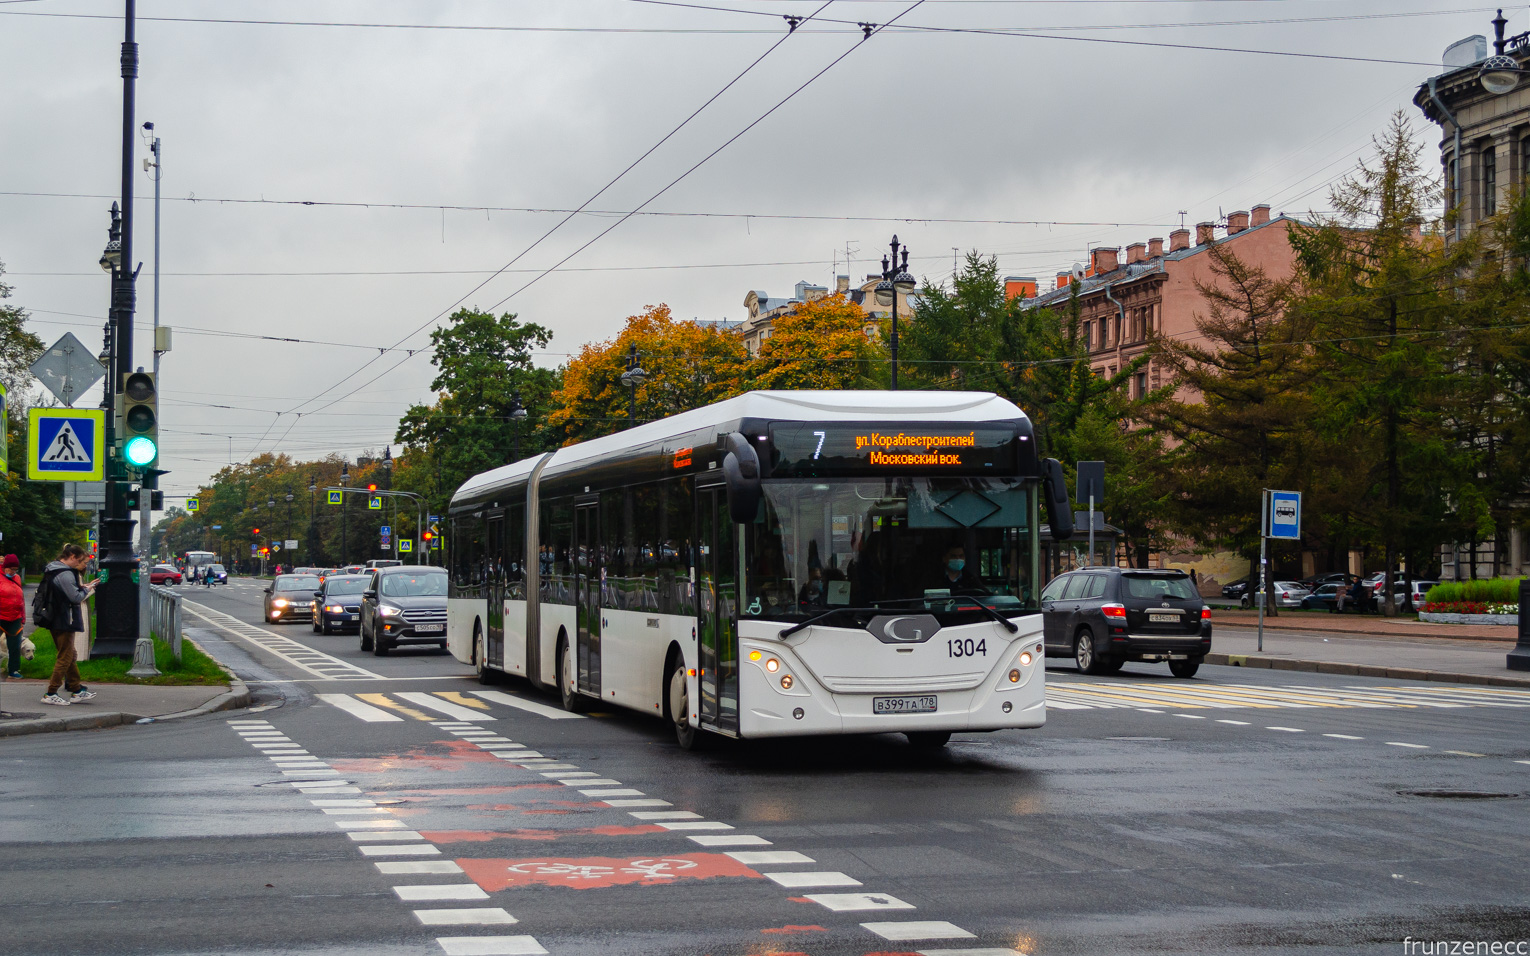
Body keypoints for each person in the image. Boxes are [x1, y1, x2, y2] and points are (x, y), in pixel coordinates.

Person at [40, 543, 97, 706]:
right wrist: (88, 589)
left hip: (54, 616)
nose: (84, 565)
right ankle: (51, 692)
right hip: (64, 618)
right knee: (65, 656)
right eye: (82, 561)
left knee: (70, 654)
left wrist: (80, 588)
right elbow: (75, 597)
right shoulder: (64, 573)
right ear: (72, 557)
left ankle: (76, 689)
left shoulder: (52, 568)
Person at [1, 555, 24, 679]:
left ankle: (13, 670)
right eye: (11, 569)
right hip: (1, 616)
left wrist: (23, 616)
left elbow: (21, 598)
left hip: (15, 617)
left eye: (15, 569)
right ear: (5, 567)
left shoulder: (17, 578)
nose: (13, 572)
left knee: (15, 645)